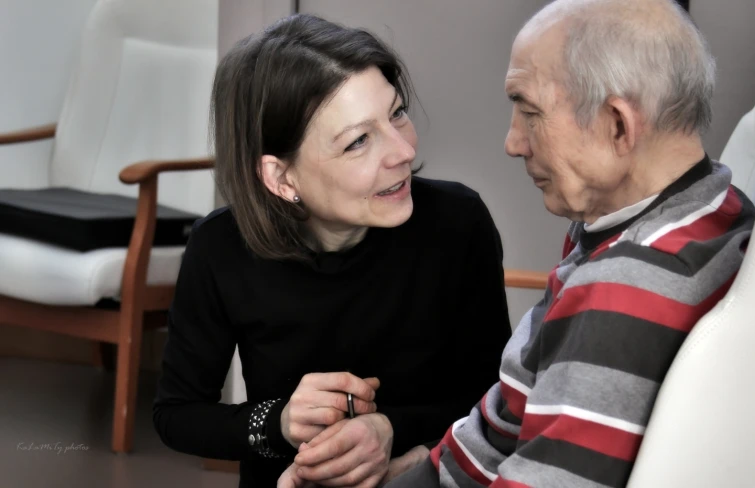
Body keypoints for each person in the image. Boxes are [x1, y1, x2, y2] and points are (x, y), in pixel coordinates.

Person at [278, 0, 755, 486]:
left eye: (529, 112)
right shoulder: (715, 203)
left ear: (618, 125)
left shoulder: (625, 288)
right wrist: (412, 467)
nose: (513, 142)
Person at [151, 13, 513, 488]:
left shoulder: (458, 223)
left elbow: (500, 400)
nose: (402, 151)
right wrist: (280, 422)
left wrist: (393, 432)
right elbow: (177, 415)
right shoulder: (220, 248)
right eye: (358, 141)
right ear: (282, 178)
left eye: (397, 113)